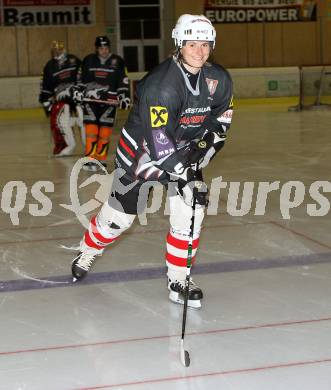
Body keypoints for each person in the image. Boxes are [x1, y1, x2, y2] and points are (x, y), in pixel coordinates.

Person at [71, 14, 234, 309]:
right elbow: (158, 143)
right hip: (140, 155)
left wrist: (199, 154)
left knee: (191, 210)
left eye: (205, 44)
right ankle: (88, 248)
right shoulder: (161, 85)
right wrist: (185, 172)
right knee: (119, 220)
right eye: (192, 43)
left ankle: (179, 279)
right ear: (180, 44)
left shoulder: (219, 79)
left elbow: (220, 124)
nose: (199, 51)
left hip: (183, 152)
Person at [79, 35, 131, 171]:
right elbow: (80, 78)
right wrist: (78, 91)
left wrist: (124, 96)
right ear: (97, 49)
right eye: (101, 48)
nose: (104, 51)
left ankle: (101, 159)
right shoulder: (88, 60)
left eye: (106, 48)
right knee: (91, 130)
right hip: (90, 101)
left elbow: (123, 80)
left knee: (105, 132)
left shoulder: (118, 61)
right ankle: (90, 159)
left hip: (110, 102)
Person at [39, 40, 83, 157]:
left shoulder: (74, 60)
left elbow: (84, 76)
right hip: (62, 101)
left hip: (77, 98)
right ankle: (67, 146)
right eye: (54, 50)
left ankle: (89, 146)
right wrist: (46, 102)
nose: (57, 52)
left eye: (59, 49)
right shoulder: (49, 66)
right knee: (62, 123)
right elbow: (45, 86)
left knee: (84, 121)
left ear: (63, 49)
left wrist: (82, 91)